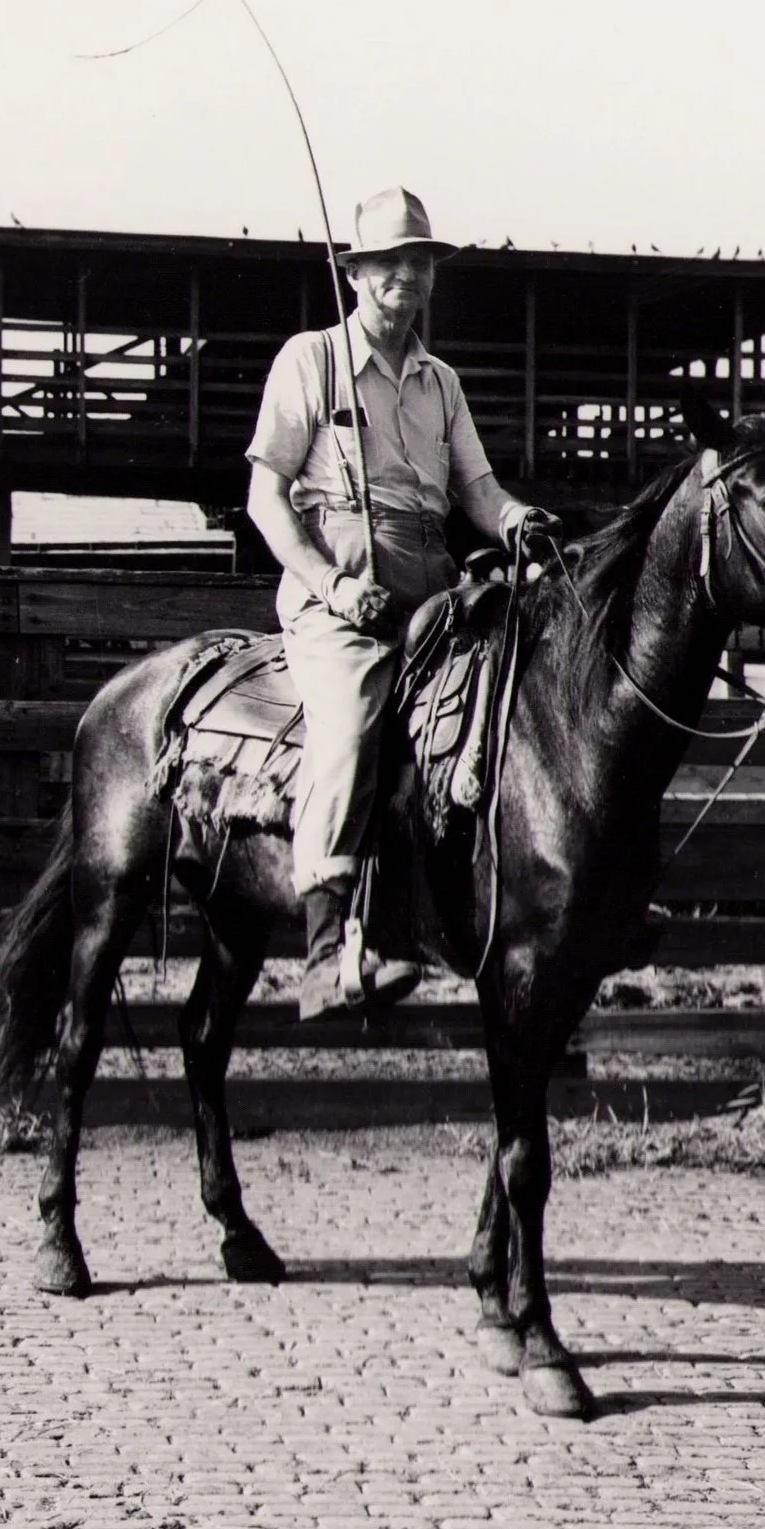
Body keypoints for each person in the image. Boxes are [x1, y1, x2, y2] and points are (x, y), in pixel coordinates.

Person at [244, 185, 558, 1020]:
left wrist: (517, 519)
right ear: (356, 274)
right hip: (336, 602)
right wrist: (332, 586)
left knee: (521, 694)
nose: (406, 277)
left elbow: (477, 489)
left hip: (433, 595)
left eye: (418, 262)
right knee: (351, 726)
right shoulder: (311, 361)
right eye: (388, 263)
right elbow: (265, 497)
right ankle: (323, 955)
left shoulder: (440, 382)